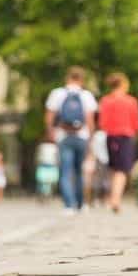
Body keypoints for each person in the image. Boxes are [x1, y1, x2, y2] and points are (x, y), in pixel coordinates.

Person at [44, 66, 98, 214]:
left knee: (65, 171)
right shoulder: (86, 95)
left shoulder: (57, 93)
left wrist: (50, 133)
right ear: (82, 80)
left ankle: (68, 205)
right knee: (79, 171)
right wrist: (91, 138)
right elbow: (90, 120)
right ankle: (81, 204)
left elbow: (49, 116)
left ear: (67, 78)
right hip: (82, 136)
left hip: (63, 136)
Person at [98, 72, 138, 213]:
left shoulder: (106, 100)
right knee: (122, 170)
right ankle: (115, 200)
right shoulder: (130, 101)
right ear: (123, 84)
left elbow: (102, 122)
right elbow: (137, 124)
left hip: (110, 137)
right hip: (125, 136)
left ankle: (112, 197)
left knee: (114, 169)